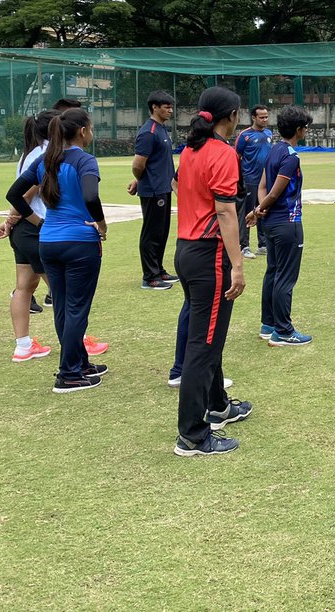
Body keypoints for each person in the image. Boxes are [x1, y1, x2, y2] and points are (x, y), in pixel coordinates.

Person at [7, 109, 108, 393]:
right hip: (79, 242)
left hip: (49, 241)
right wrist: (101, 224)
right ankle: (69, 373)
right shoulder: (84, 160)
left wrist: (38, 221)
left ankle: (79, 363)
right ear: (83, 131)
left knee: (63, 306)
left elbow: (14, 194)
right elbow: (90, 195)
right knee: (76, 309)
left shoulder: (45, 160)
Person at [173, 87, 248, 457]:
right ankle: (192, 435)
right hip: (209, 255)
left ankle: (218, 405)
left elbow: (179, 186)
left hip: (186, 250)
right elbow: (225, 211)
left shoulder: (191, 149)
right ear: (231, 116)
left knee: (208, 336)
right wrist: (238, 265)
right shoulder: (222, 152)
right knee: (203, 345)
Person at [249, 105, 314, 346]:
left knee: (273, 272)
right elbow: (275, 192)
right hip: (288, 223)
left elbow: (263, 187)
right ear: (298, 130)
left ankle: (268, 325)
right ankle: (284, 331)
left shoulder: (274, 149)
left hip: (271, 223)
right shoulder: (290, 157)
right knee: (285, 277)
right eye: (305, 127)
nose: (306, 130)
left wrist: (260, 209)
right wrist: (259, 209)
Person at [0, 111, 55, 363]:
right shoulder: (47, 154)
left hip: (24, 230)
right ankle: (78, 341)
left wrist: (11, 221)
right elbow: (26, 194)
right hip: (36, 228)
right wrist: (13, 218)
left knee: (24, 287)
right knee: (61, 290)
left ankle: (23, 346)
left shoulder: (28, 153)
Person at [129, 89, 178, 290]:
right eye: (166, 107)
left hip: (163, 188)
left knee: (162, 231)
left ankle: (158, 270)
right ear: (154, 107)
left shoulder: (161, 129)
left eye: (171, 107)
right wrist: (140, 180)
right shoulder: (148, 132)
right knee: (151, 233)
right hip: (153, 191)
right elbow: (138, 164)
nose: (170, 110)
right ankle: (150, 277)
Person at [235, 104, 273, 259]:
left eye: (266, 117)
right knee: (247, 212)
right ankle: (244, 246)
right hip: (249, 180)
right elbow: (236, 156)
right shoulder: (245, 135)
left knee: (262, 210)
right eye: (261, 117)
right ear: (253, 118)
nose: (265, 120)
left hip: (265, 180)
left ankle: (263, 245)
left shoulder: (269, 133)